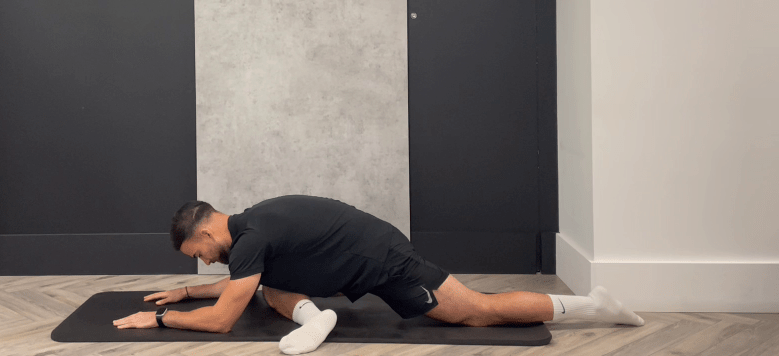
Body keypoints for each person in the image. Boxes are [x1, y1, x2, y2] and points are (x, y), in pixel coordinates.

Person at [114, 195, 644, 354]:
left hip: (380, 257)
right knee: (270, 286)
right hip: (352, 256)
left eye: (197, 254)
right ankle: (315, 318)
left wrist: (160, 322)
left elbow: (224, 317)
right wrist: (184, 291)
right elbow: (239, 286)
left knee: (474, 313)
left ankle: (593, 306)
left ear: (206, 233)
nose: (203, 262)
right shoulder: (253, 230)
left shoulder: (251, 240)